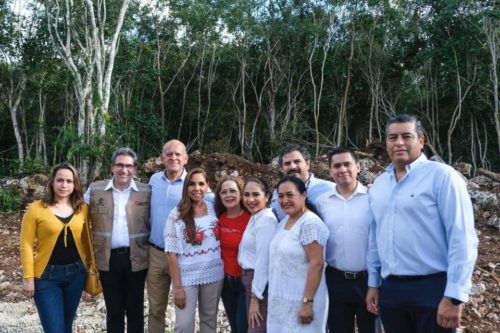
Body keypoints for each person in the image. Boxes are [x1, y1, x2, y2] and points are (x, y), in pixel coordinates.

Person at [366, 114, 479, 333]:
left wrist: (454, 296)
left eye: (406, 136)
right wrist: (373, 283)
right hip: (391, 291)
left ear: (421, 141)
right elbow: (374, 238)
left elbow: (462, 237)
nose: (399, 142)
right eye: (392, 137)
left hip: (432, 288)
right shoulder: (380, 185)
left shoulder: (442, 177)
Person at [85, 147, 151, 333]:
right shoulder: (96, 189)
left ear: (135, 170)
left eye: (129, 166)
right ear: (112, 167)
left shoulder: (146, 191)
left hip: (137, 259)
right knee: (113, 311)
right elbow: (77, 213)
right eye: (120, 165)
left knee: (135, 309)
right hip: (107, 259)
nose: (124, 170)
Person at [20, 163, 90, 333]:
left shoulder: (82, 209)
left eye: (69, 181)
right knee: (54, 329)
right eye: (60, 180)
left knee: (67, 326)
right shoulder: (35, 209)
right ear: (52, 182)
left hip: (76, 274)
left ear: (75, 185)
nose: (64, 185)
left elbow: (87, 240)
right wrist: (28, 278)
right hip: (46, 277)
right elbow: (26, 245)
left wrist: (89, 268)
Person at [315, 147, 376, 333]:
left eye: (347, 164)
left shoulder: (373, 198)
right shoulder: (322, 202)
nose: (342, 169)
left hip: (368, 280)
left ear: (358, 167)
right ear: (330, 170)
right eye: (337, 166)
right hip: (335, 279)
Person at [164, 168, 224, 333]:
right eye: (192, 184)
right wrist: (177, 287)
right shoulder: (176, 215)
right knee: (183, 325)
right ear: (186, 187)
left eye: (201, 184)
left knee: (209, 321)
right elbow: (171, 253)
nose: (196, 188)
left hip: (214, 274)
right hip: (187, 277)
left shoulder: (214, 209)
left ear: (207, 187)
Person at [267, 176, 329, 333]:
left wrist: (307, 303)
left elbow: (317, 264)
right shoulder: (285, 221)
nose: (284, 200)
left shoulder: (310, 224)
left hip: (302, 301)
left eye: (290, 195)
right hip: (282, 300)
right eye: (280, 196)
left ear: (303, 195)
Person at [147, 139, 189, 333]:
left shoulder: (193, 184)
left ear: (185, 158)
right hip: (155, 253)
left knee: (185, 308)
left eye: (178, 154)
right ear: (162, 158)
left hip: (182, 256)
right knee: (156, 309)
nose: (173, 157)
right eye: (169, 154)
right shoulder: (154, 180)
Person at [238, 177, 278, 333]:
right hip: (251, 282)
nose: (250, 199)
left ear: (266, 196)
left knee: (257, 328)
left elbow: (263, 262)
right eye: (246, 195)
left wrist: (256, 298)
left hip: (259, 284)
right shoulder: (256, 216)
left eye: (256, 194)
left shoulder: (266, 220)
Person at [214, 176, 251, 333]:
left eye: (233, 191)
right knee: (234, 327)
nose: (228, 195)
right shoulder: (219, 218)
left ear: (241, 193)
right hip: (226, 283)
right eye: (224, 192)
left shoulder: (250, 218)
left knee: (244, 327)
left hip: (245, 282)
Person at [271, 145, 335, 220]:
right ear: (282, 168)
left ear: (307, 164)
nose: (292, 167)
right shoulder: (277, 194)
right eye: (287, 163)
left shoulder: (329, 189)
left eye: (297, 161)